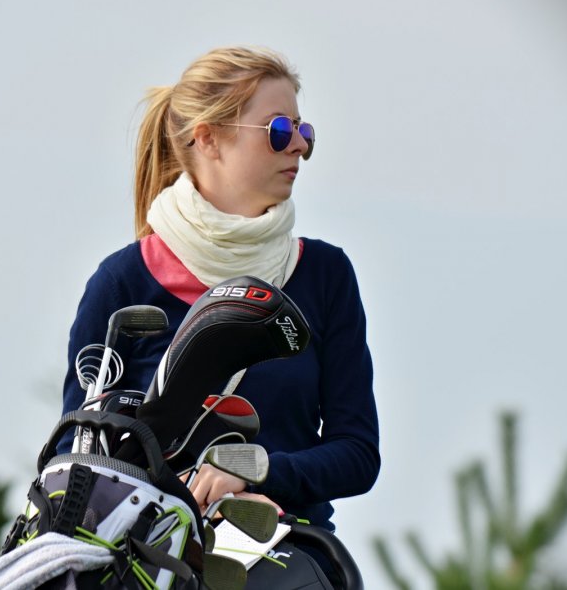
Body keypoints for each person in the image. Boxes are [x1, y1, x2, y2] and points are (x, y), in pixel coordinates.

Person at [59, 46, 379, 539]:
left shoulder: (326, 275)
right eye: (279, 130)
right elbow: (75, 457)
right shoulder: (121, 283)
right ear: (208, 138)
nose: (299, 146)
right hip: (147, 555)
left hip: (287, 550)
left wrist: (257, 471)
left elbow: (357, 454)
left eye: (304, 131)